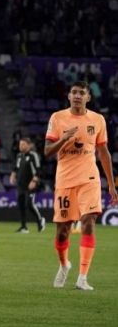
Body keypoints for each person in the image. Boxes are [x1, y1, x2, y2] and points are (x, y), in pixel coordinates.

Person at [45, 81, 117, 291]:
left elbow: (103, 153)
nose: (77, 96)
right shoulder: (58, 118)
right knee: (63, 232)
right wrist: (64, 139)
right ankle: (64, 265)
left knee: (88, 222)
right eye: (74, 92)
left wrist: (111, 185)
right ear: (68, 96)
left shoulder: (98, 119)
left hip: (90, 179)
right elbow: (48, 151)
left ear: (88, 97)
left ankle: (82, 277)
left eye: (81, 93)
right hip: (65, 180)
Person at [10, 137, 46, 233]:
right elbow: (16, 168)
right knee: (21, 205)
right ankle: (24, 227)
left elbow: (38, 170)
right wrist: (12, 175)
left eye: (23, 144)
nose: (21, 146)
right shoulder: (19, 156)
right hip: (20, 185)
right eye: (20, 144)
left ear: (29, 145)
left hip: (30, 185)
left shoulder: (33, 155)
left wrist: (34, 181)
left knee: (29, 204)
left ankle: (40, 220)